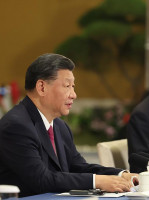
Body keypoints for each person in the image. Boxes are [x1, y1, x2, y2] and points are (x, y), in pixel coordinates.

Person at [0, 53, 138, 197]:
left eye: (73, 86)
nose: (74, 95)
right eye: (67, 86)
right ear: (41, 87)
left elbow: (78, 167)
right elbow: (41, 179)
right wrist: (97, 181)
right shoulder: (16, 126)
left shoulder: (59, 126)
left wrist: (121, 175)